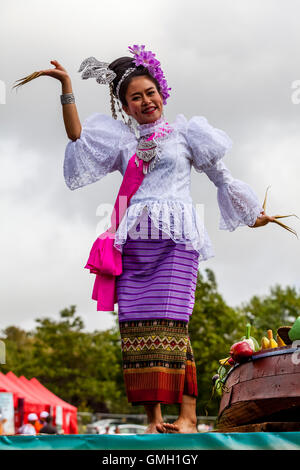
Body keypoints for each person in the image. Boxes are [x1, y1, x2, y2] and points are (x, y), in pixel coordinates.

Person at [13, 45, 276, 434]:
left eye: (149, 93)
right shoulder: (122, 141)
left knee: (174, 322)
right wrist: (67, 86)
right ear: (126, 107)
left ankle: (187, 417)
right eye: (135, 98)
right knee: (137, 328)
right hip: (134, 243)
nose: (145, 101)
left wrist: (251, 214)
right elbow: (76, 136)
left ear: (161, 92)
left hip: (176, 242)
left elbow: (221, 178)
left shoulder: (188, 134)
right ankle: (154, 421)